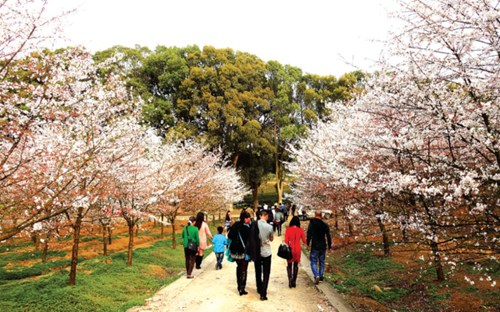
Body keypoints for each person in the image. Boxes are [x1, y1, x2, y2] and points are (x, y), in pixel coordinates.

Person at [228, 210, 252, 295]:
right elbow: (250, 239)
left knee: (239, 267)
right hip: (243, 251)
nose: (250, 219)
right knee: (244, 268)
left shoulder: (235, 225)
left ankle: (239, 286)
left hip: (235, 250)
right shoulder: (246, 228)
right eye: (249, 218)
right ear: (245, 218)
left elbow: (229, 236)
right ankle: (242, 288)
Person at [307, 210, 332, 284]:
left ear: (315, 215)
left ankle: (316, 275)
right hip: (323, 245)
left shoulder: (312, 223)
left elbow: (309, 234)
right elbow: (328, 236)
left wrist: (308, 244)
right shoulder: (325, 224)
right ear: (321, 215)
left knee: (313, 261)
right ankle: (321, 276)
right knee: (322, 262)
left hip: (315, 245)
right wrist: (329, 247)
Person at [254, 210, 274, 300]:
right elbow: (271, 238)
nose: (268, 217)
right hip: (266, 250)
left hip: (257, 251)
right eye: (267, 216)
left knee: (258, 271)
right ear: (264, 216)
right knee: (266, 272)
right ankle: (263, 293)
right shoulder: (269, 226)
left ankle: (259, 288)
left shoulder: (254, 225)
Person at [284, 216, 306, 287]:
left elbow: (286, 241)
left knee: (289, 265)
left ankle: (290, 279)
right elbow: (304, 240)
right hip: (298, 249)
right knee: (296, 265)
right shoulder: (301, 230)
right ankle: (294, 281)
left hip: (290, 248)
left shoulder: (288, 230)